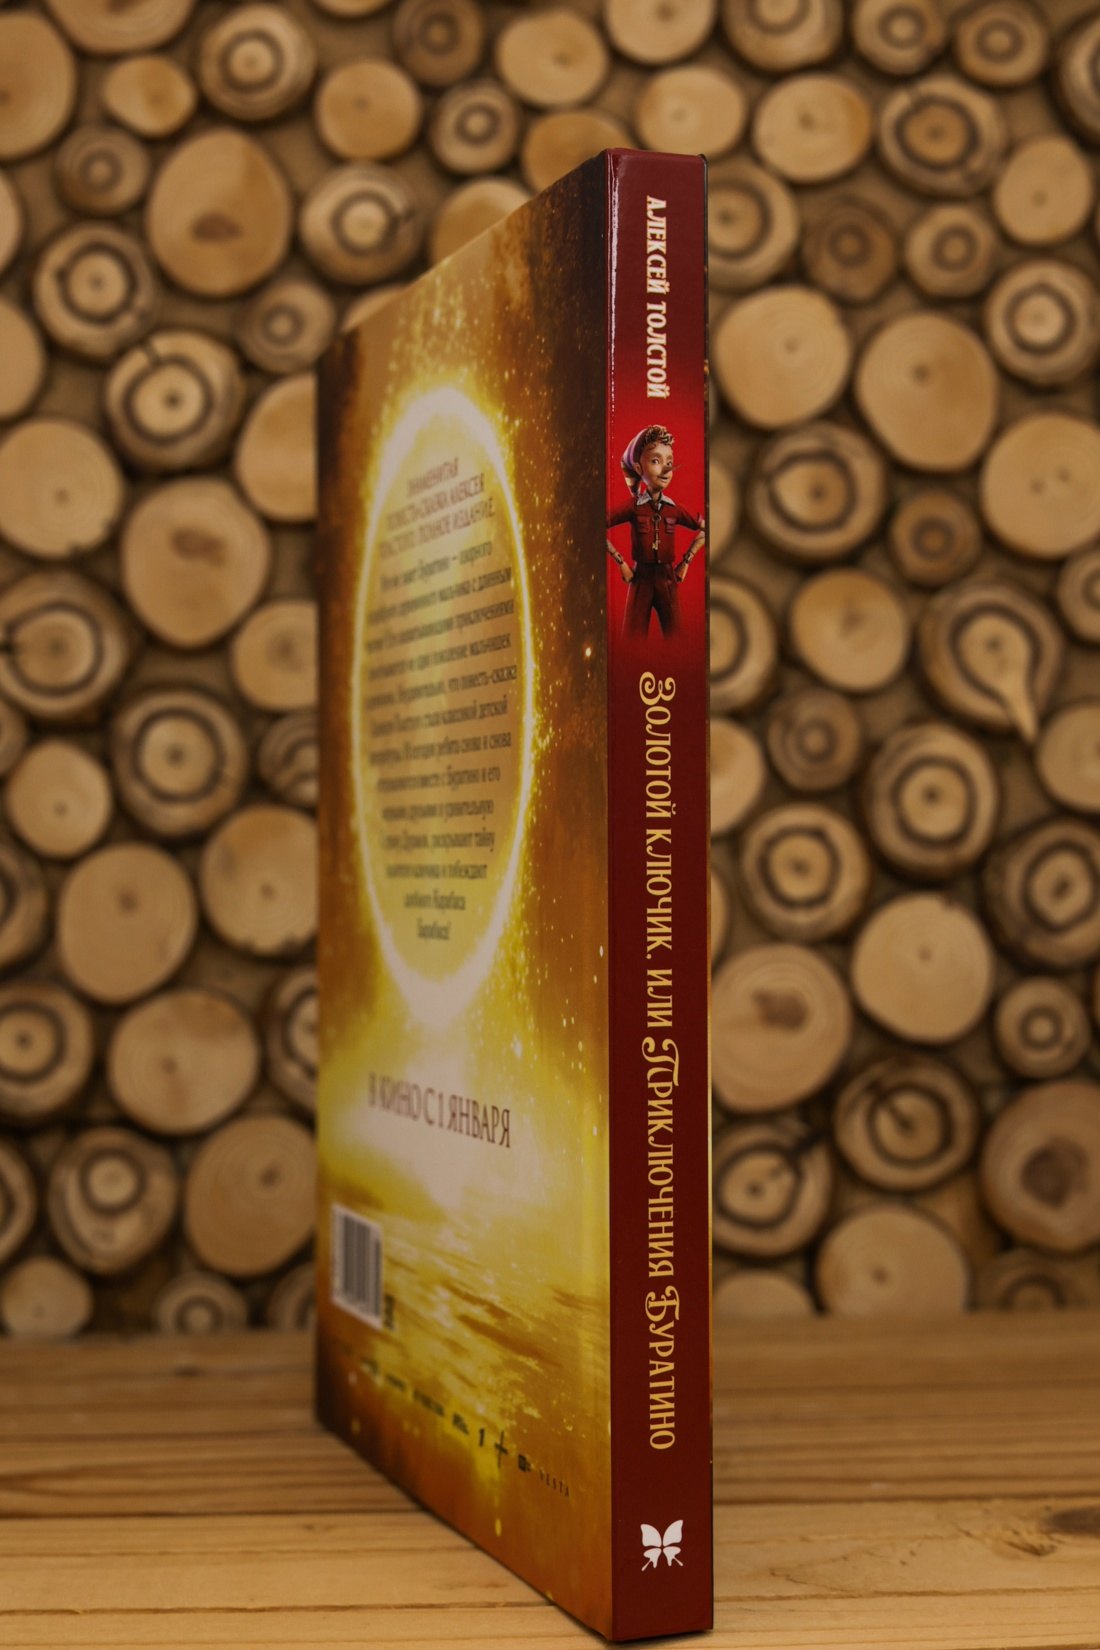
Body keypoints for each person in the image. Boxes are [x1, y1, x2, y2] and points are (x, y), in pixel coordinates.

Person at [606, 424, 705, 639]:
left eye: (669, 462)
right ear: (638, 468)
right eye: (655, 461)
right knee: (632, 638)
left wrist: (687, 560)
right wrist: (621, 562)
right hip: (641, 578)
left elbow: (705, 530)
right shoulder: (633, 507)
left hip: (667, 579)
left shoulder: (675, 509)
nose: (666, 470)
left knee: (676, 636)